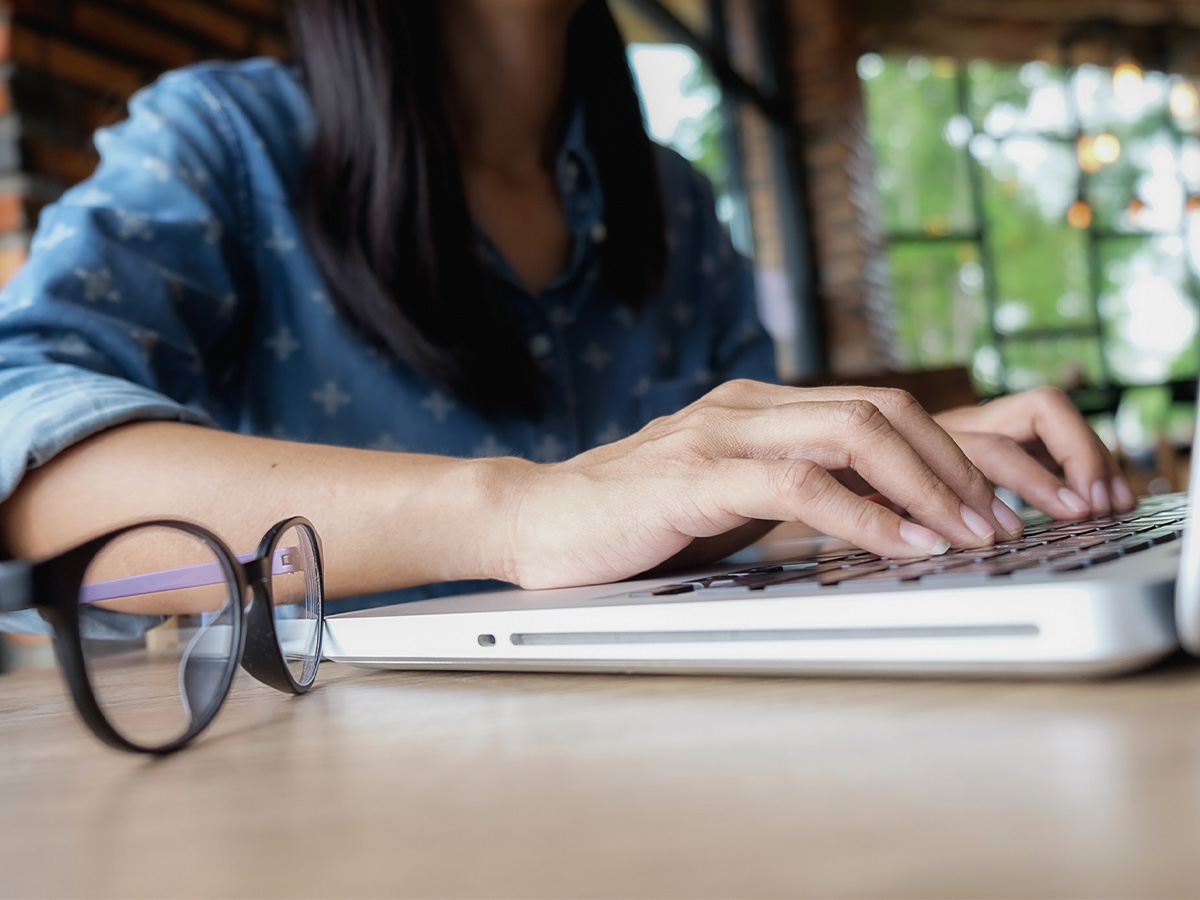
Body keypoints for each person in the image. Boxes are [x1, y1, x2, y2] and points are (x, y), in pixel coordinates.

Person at [0, 0, 1132, 618]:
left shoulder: (675, 209)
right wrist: (516, 509)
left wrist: (861, 473)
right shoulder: (224, 144)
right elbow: (27, 455)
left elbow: (713, 519)